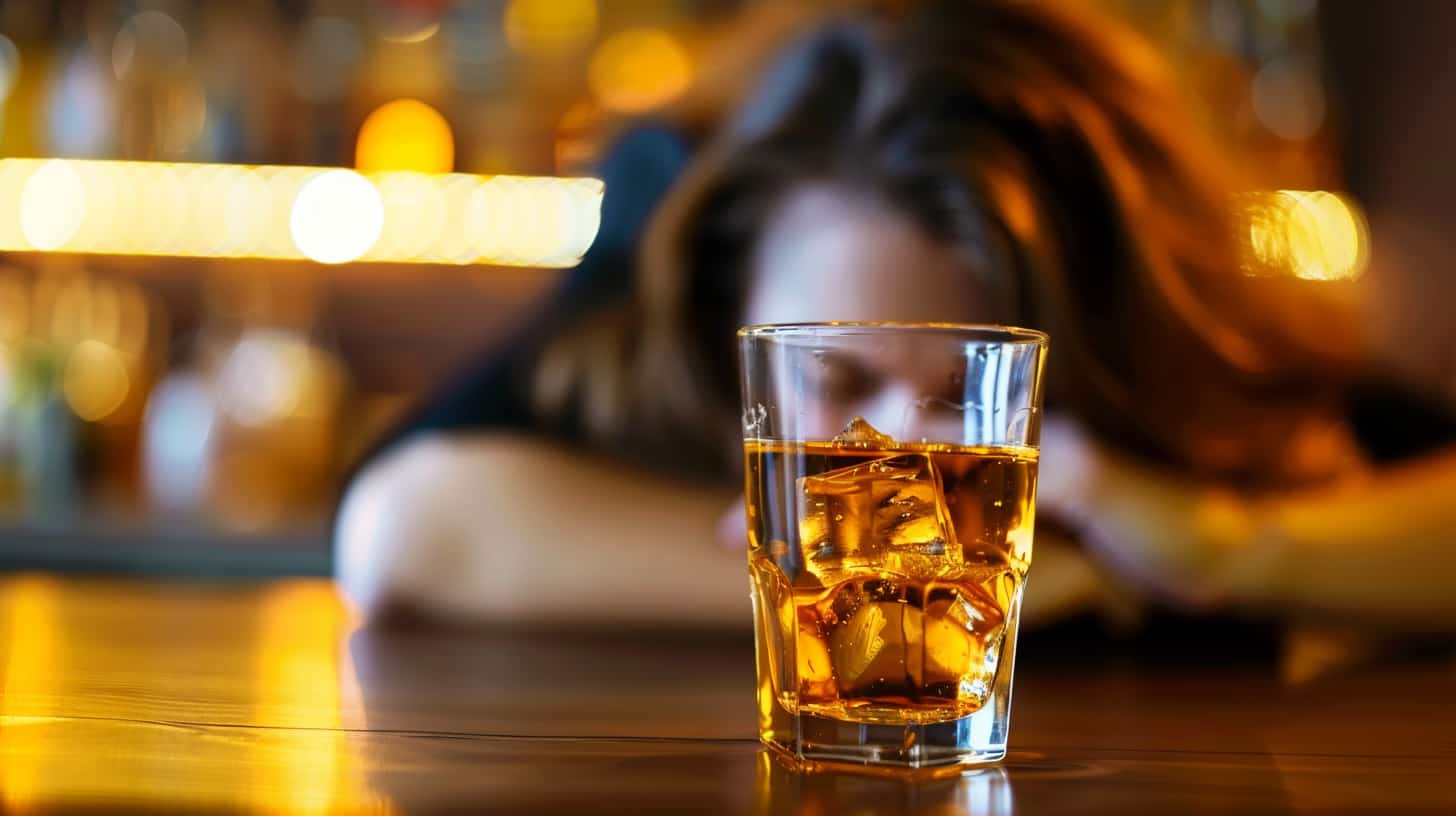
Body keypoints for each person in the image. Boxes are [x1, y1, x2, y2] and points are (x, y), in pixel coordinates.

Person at [336, 0, 1456, 636]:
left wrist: (1224, 548)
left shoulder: (1154, 302)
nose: (899, 461)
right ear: (736, 307)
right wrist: (1027, 590)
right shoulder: (671, 224)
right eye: (841, 381)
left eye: (959, 395)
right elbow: (402, 528)